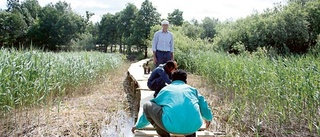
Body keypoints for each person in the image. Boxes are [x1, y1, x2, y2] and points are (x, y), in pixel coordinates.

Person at [132, 69, 213, 137]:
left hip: (171, 127)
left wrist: (138, 126)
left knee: (147, 105)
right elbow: (204, 106)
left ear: (172, 79)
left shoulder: (166, 89)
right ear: (185, 80)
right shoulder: (193, 90)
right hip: (194, 127)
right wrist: (208, 119)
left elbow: (152, 107)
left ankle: (164, 135)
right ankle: (189, 134)